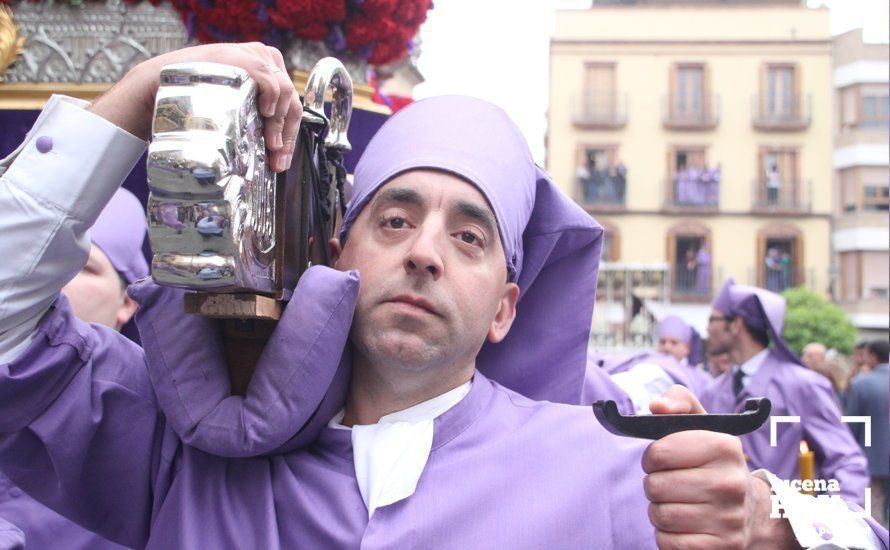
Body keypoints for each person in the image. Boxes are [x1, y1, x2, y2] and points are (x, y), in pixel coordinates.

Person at [0, 44, 884, 549]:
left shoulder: (616, 459)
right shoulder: (177, 448)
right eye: (393, 220)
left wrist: (769, 519)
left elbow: (852, 520)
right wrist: (134, 98)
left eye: (468, 236)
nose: (424, 252)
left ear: (505, 305)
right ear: (334, 255)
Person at [0, 186, 147, 550]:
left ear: (128, 302)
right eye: (41, 264)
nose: (54, 282)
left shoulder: (151, 440)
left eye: (85, 267)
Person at [700, 278, 870, 506]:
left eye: (713, 319)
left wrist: (836, 528)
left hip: (784, 530)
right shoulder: (712, 391)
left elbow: (845, 462)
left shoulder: (803, 385)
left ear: (736, 324)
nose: (707, 328)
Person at [845, 341, 890, 527]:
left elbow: (851, 427)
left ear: (872, 357)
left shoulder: (862, 383)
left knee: (873, 512)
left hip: (873, 458)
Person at [655, 314, 711, 393]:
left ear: (687, 347)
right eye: (662, 342)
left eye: (674, 342)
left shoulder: (701, 379)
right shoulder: (649, 369)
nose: (667, 347)